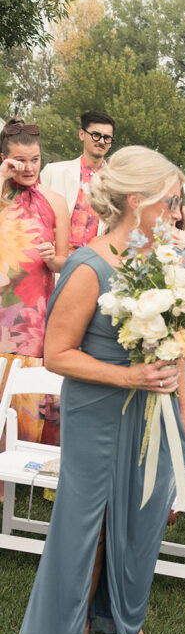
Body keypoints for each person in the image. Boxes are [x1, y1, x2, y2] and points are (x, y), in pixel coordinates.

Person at [7, 146, 185, 634]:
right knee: (86, 525)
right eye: (170, 201)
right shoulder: (87, 265)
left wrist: (181, 410)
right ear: (137, 202)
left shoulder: (162, 261)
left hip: (152, 412)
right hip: (98, 410)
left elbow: (174, 343)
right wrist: (128, 377)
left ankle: (118, 617)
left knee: (140, 516)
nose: (177, 212)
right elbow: (57, 353)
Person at [0, 119, 69, 442]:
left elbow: (64, 261)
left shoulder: (55, 201)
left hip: (31, 319)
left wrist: (52, 258)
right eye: (20, 160)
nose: (29, 168)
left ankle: (15, 478)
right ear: (5, 159)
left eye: (35, 159)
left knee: (24, 401)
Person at [41, 110, 115, 253]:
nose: (101, 141)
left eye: (107, 138)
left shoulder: (117, 182)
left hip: (96, 264)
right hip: (56, 262)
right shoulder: (54, 172)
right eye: (96, 135)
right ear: (82, 134)